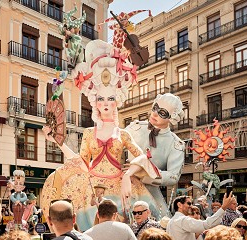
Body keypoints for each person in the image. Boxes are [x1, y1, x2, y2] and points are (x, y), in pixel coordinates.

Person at [42, 40, 163, 231]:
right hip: (91, 186)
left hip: (120, 184)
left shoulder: (122, 134)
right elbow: (81, 161)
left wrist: (127, 175)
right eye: (101, 99)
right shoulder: (89, 133)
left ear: (116, 102)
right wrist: (58, 142)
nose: (106, 103)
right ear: (95, 103)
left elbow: (142, 156)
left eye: (110, 98)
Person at [125, 93, 185, 218]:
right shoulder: (135, 128)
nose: (155, 113)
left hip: (149, 190)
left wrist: (145, 174)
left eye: (162, 113)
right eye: (155, 107)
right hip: (122, 182)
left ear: (172, 118)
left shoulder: (175, 144)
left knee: (162, 221)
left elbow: (173, 176)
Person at [166, 192, 233, 240]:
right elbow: (206, 224)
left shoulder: (171, 221)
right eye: (189, 203)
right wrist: (224, 207)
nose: (191, 206)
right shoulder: (182, 220)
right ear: (179, 205)